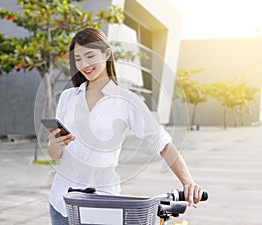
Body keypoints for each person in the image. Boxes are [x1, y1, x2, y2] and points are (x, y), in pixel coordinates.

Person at [47, 27, 203, 225]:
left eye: (89, 56)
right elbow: (56, 155)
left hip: (101, 205)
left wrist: (188, 182)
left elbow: (161, 142)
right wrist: (54, 144)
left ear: (106, 53)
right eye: (78, 59)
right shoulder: (67, 98)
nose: (84, 64)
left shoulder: (127, 101)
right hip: (61, 203)